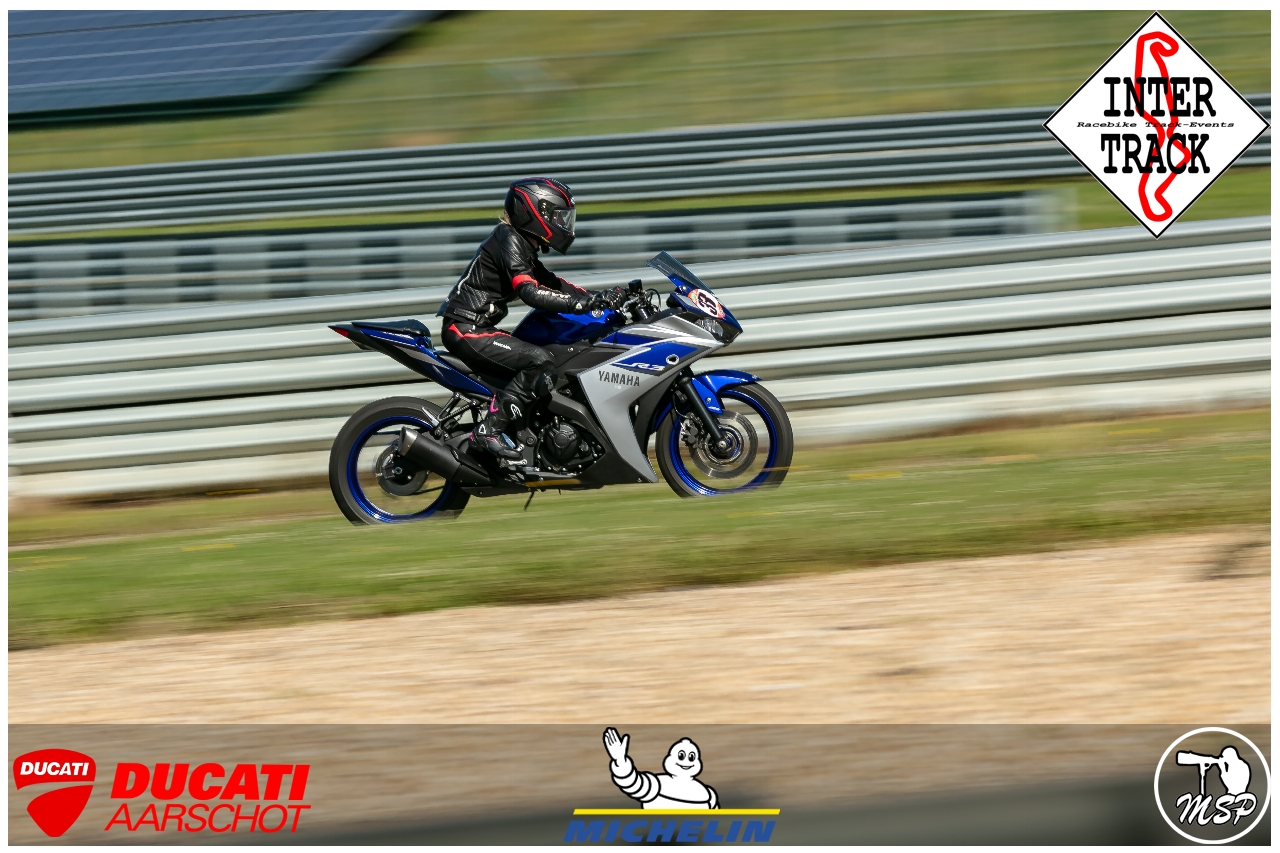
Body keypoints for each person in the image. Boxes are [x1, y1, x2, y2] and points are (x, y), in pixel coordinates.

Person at [437, 177, 624, 460]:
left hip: (476, 327)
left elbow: (555, 284)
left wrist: (602, 298)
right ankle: (488, 431)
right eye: (558, 217)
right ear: (535, 212)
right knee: (538, 360)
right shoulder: (509, 240)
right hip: (466, 328)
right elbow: (530, 292)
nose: (563, 224)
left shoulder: (522, 245)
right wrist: (580, 305)